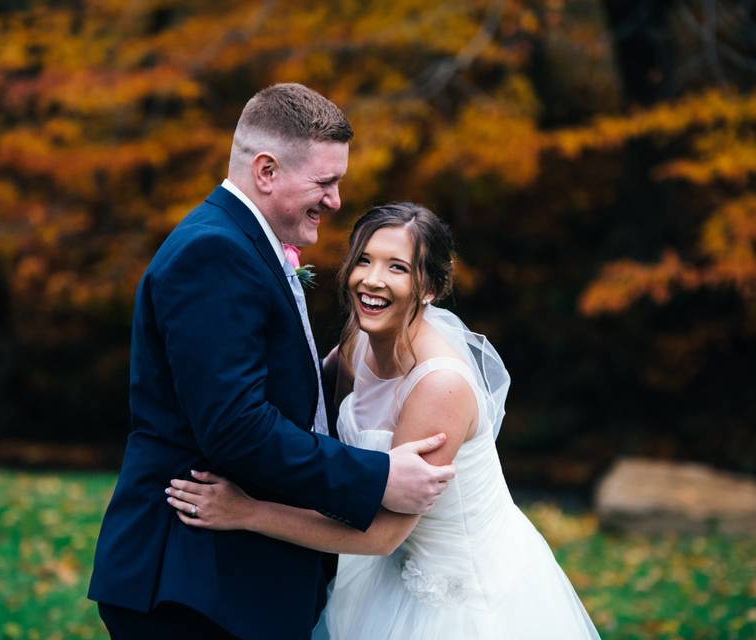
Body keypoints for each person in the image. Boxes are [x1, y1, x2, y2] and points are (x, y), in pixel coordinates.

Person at [87, 85, 456, 640]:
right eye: (324, 182)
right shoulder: (213, 253)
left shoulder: (243, 244)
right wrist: (378, 476)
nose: (335, 200)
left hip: (226, 579)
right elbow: (236, 429)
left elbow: (287, 386)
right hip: (189, 581)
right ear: (266, 171)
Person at [166, 203, 602, 639]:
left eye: (397, 267)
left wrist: (246, 512)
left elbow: (382, 535)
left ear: (428, 287)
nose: (371, 280)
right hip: (378, 575)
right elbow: (313, 424)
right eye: (363, 260)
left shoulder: (439, 386)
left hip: (460, 598)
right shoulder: (358, 342)